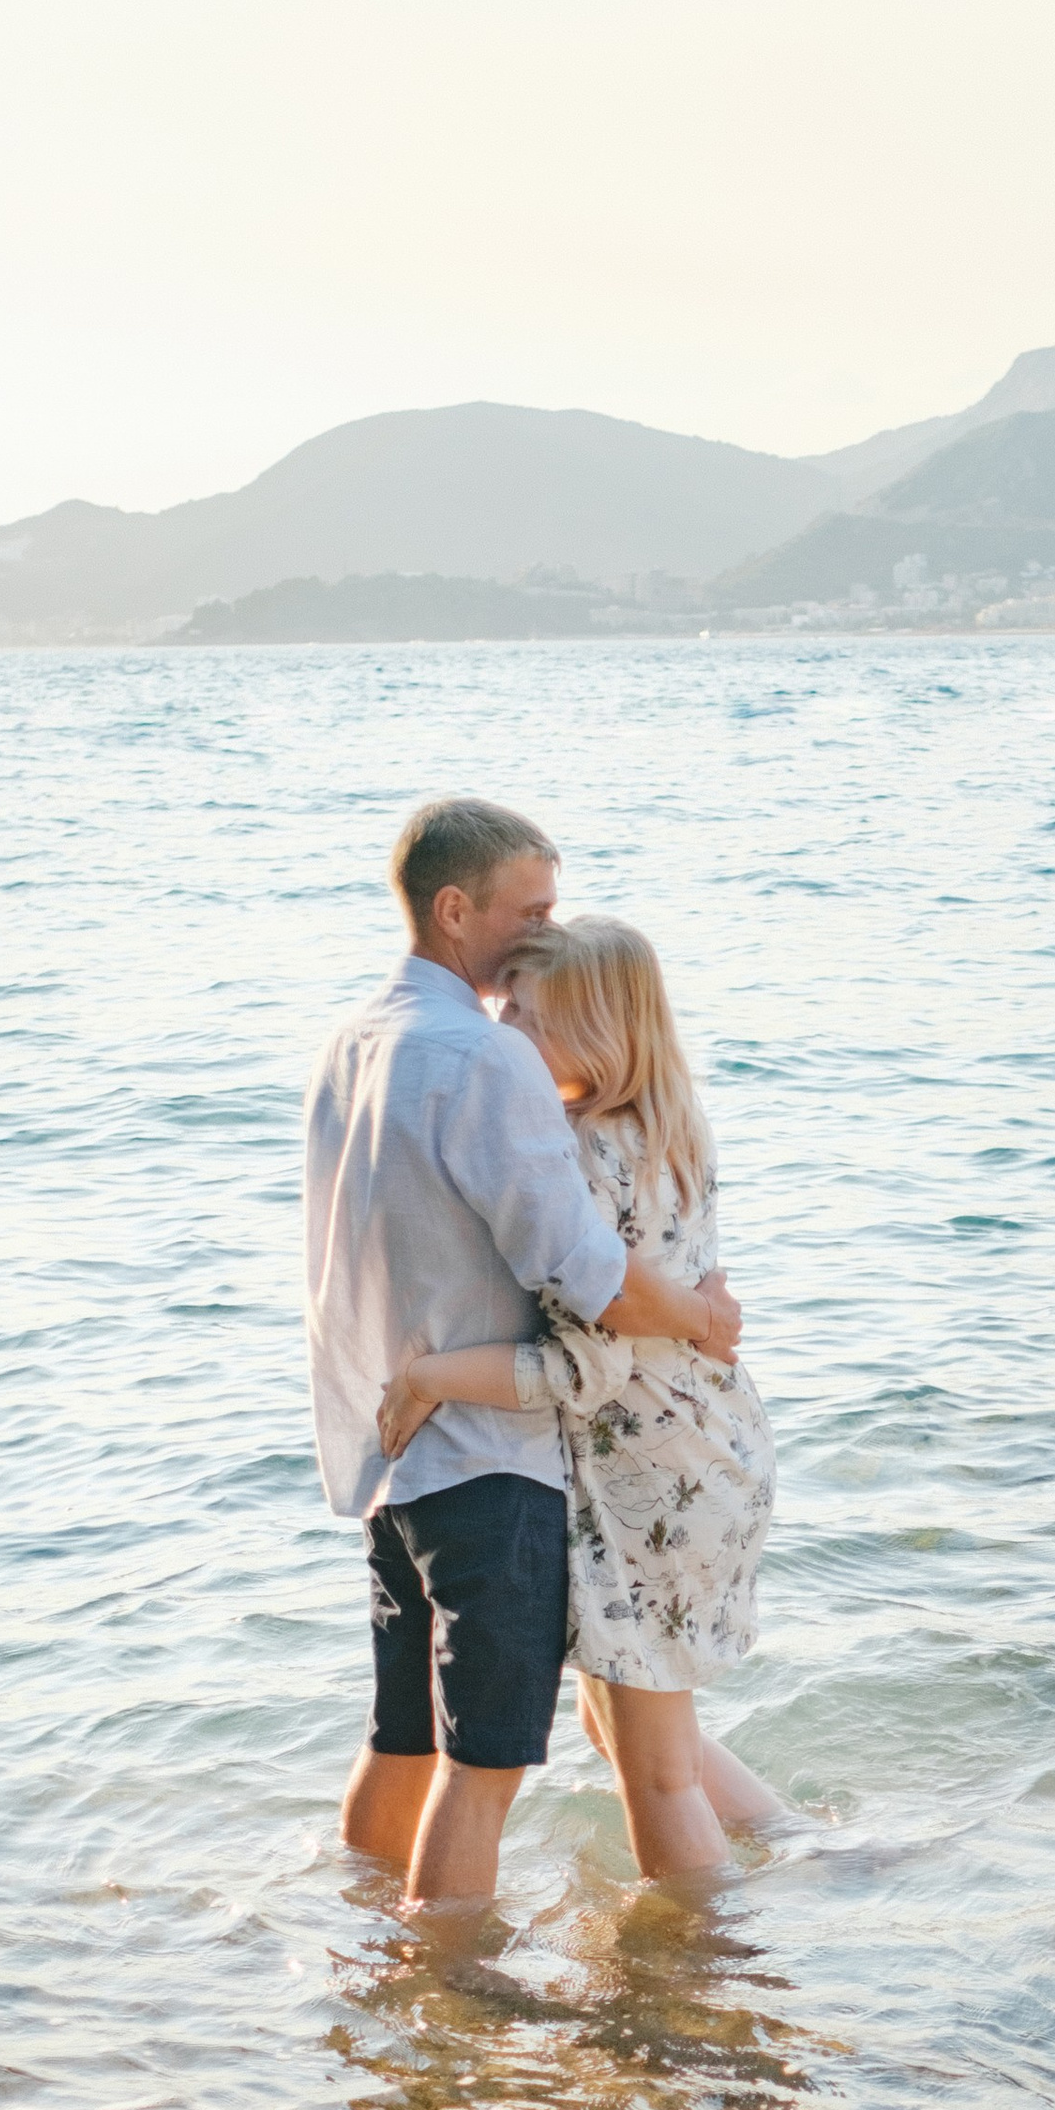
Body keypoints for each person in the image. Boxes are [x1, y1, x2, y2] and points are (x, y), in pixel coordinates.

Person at [303, 801, 742, 1913]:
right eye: (528, 909)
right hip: (490, 1458)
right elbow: (584, 1270)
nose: (543, 930)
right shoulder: (484, 1055)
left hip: (388, 1451)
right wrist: (700, 1315)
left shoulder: (355, 1040)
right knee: (483, 1763)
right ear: (457, 911)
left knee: (400, 1739)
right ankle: (451, 1989)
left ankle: (369, 1968)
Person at [376, 915, 787, 1886]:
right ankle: (806, 1845)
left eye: (523, 1010)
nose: (500, 1024)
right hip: (710, 1448)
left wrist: (434, 1375)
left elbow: (585, 1372)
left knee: (656, 1776)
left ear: (595, 1032)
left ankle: (708, 1991)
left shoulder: (584, 1156)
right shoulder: (665, 1120)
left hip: (653, 1478)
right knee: (629, 1737)